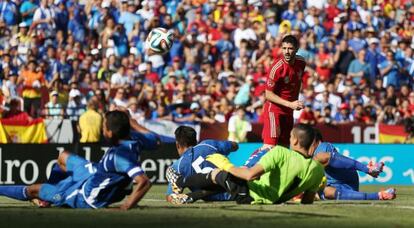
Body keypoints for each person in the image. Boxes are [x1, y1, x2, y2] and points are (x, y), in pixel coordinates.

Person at [0, 110, 154, 210]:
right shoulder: (136, 139)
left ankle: (49, 195)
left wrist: (126, 206)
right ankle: (49, 195)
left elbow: (144, 181)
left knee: (34, 190)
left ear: (110, 133)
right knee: (63, 156)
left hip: (84, 196)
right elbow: (156, 140)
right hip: (94, 174)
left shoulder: (119, 156)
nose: (102, 130)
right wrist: (133, 123)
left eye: (104, 128)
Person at [169, 124, 324, 205]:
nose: (289, 139)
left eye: (290, 136)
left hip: (250, 194)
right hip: (266, 197)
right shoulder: (318, 170)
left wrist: (226, 165)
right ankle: (190, 196)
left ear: (295, 140)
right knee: (228, 178)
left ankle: (180, 181)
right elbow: (307, 201)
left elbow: (250, 175)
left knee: (218, 174)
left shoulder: (280, 152)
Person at [310, 129, 396, 201]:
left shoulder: (321, 147)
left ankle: (367, 169)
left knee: (320, 156)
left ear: (313, 140)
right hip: (342, 189)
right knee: (325, 192)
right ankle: (379, 195)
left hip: (346, 179)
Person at [165, 126, 238, 204]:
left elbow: (172, 197)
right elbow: (235, 146)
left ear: (177, 145)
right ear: (196, 141)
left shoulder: (177, 167)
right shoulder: (209, 144)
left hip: (213, 198)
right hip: (234, 192)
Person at [261, 35, 306, 149]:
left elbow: (297, 81)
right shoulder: (277, 68)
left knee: (285, 147)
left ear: (296, 49)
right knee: (269, 147)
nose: (286, 52)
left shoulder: (301, 62)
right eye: (284, 48)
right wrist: (290, 104)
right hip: (274, 110)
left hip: (289, 110)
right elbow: (268, 94)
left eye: (290, 48)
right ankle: (249, 165)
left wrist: (295, 101)